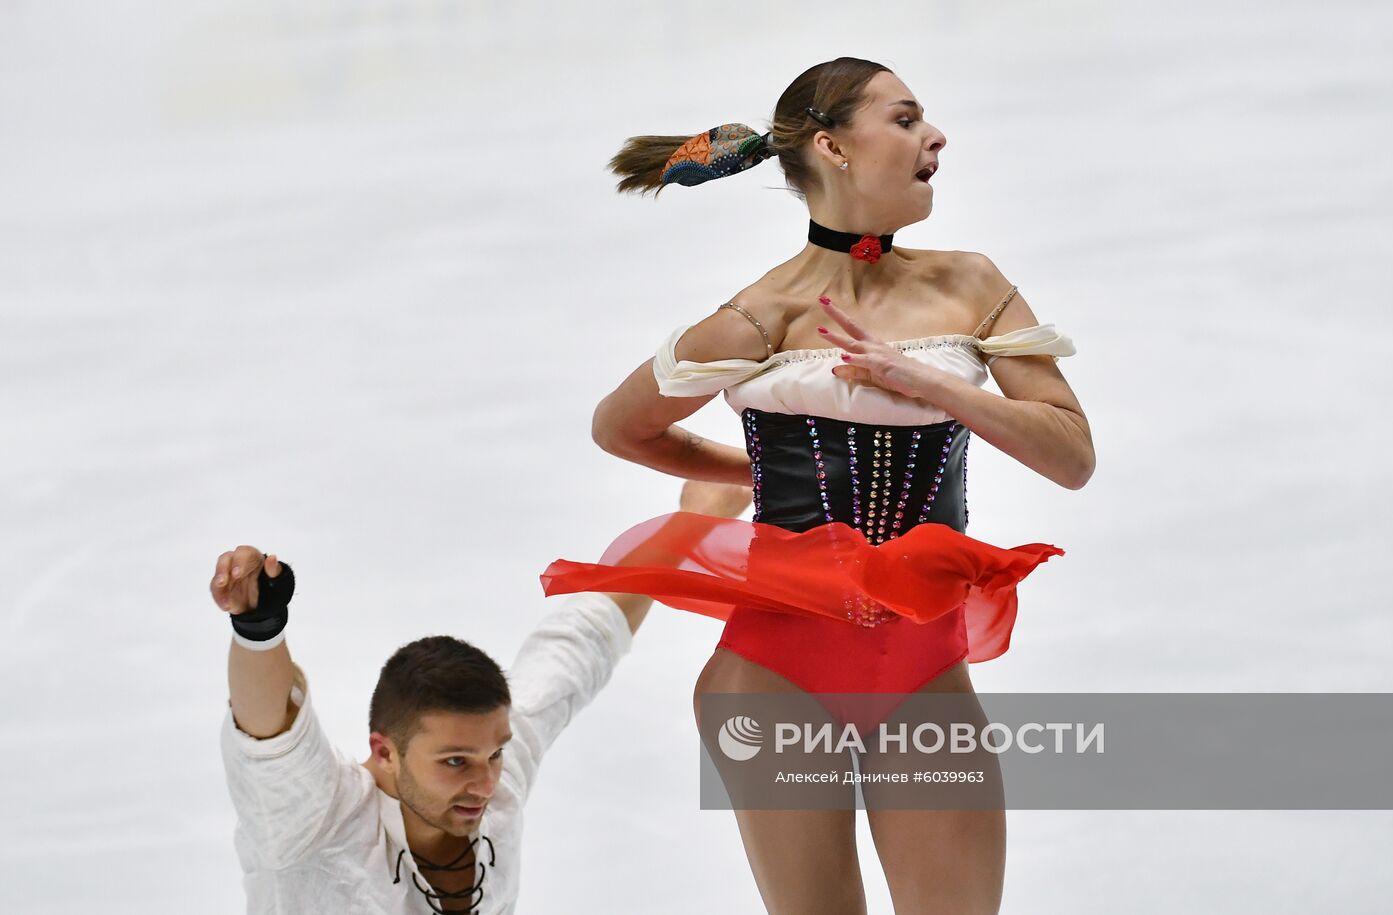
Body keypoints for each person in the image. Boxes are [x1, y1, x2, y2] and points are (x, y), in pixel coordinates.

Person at [539, 58, 1095, 914]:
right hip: (774, 675)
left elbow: (1071, 455)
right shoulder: (764, 314)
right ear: (834, 147)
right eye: (906, 120)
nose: (935, 136)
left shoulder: (973, 285)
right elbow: (623, 426)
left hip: (923, 673)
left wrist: (939, 387)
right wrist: (752, 475)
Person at [213, 479, 752, 914]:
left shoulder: (496, 777)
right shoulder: (318, 824)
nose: (486, 782)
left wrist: (691, 522)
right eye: (455, 762)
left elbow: (578, 645)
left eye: (493, 754)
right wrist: (260, 627)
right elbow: (271, 737)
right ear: (384, 752)